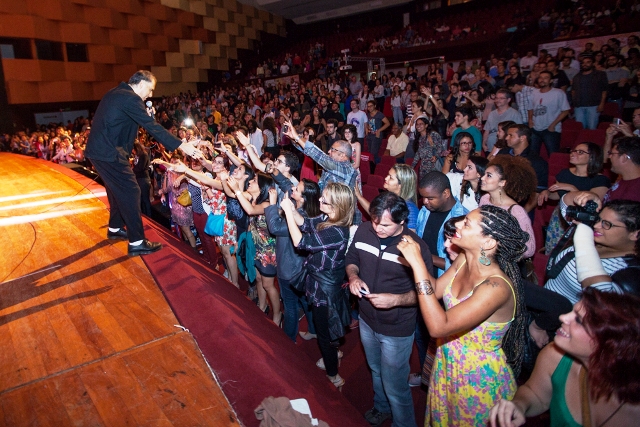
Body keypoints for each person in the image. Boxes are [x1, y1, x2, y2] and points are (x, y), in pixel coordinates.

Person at [397, 205, 529, 426]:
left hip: (477, 376)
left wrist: (418, 264)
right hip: (448, 362)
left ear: (488, 243)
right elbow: (437, 289)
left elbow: (439, 326)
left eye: (466, 223)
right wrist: (415, 260)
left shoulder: (496, 287)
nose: (457, 224)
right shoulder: (464, 260)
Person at [85, 70, 201, 256]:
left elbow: (128, 123)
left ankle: (115, 228)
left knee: (117, 191)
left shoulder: (117, 93)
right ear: (140, 84)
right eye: (150, 89)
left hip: (101, 151)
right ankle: (137, 241)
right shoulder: (130, 98)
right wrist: (180, 145)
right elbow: (152, 127)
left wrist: (145, 114)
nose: (151, 94)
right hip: (109, 153)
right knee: (131, 191)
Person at [489, 288, 640, 427]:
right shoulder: (555, 355)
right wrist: (519, 405)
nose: (562, 317)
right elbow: (536, 394)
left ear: (610, 344)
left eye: (579, 320)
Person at [347, 192, 433, 427]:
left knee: (396, 384)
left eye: (385, 224)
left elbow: (427, 292)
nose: (377, 228)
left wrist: (395, 300)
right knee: (375, 370)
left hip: (397, 328)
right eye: (375, 221)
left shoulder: (416, 248)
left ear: (402, 222)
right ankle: (382, 407)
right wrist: (353, 277)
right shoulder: (365, 230)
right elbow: (352, 258)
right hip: (366, 319)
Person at [280, 183, 354, 390]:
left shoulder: (337, 231)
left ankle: (334, 376)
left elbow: (301, 242)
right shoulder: (326, 219)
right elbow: (305, 224)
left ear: (337, 206)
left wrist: (287, 212)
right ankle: (335, 352)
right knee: (325, 327)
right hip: (318, 281)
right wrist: (293, 210)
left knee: (324, 334)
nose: (319, 200)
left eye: (325, 199)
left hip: (325, 289)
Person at [545, 199, 640, 305]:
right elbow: (564, 205)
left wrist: (583, 236)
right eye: (598, 219)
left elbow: (599, 297)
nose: (596, 226)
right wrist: (583, 196)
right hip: (542, 302)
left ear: (635, 234)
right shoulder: (597, 240)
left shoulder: (628, 271)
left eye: (606, 224)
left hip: (562, 318)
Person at [265, 179, 321, 343]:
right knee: (305, 301)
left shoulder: (300, 216)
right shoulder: (307, 212)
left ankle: (288, 340)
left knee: (290, 305)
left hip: (290, 269)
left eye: (297, 189)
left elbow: (274, 227)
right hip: (302, 268)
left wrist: (272, 204)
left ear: (303, 198)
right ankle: (313, 330)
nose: (293, 189)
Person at [227, 172, 281, 324]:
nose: (250, 181)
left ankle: (277, 316)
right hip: (256, 248)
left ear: (262, 186)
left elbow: (250, 211)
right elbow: (251, 223)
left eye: (254, 180)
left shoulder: (266, 204)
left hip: (268, 252)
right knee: (258, 278)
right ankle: (262, 306)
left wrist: (238, 190)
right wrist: (241, 241)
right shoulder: (254, 199)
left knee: (268, 285)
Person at [538, 143, 610, 254]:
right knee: (554, 250)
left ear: (592, 157)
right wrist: (547, 192)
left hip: (582, 221)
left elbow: (593, 205)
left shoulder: (600, 180)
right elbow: (558, 195)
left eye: (580, 152)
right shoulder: (564, 173)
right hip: (560, 217)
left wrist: (572, 189)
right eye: (573, 151)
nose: (573, 153)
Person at [479, 155, 537, 259]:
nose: (482, 178)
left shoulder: (516, 212)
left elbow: (529, 249)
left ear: (502, 183)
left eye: (489, 175)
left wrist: (498, 250)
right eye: (484, 174)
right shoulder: (485, 199)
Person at [355, 164, 419, 231]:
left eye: (391, 178)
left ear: (401, 184)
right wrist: (359, 196)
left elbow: (410, 238)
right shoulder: (389, 197)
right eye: (388, 175)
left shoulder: (411, 209)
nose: (386, 178)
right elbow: (376, 213)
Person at [528, 70, 571, 156]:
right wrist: (530, 120)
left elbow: (566, 110)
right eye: (540, 77)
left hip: (551, 130)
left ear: (551, 81)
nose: (542, 80)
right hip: (535, 128)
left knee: (553, 155)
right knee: (532, 155)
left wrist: (553, 124)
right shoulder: (534, 92)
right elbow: (530, 108)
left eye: (545, 78)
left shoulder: (558, 93)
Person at [572, 56, 608, 130]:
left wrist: (601, 104)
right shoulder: (577, 76)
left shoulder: (600, 74)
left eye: (588, 62)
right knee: (580, 129)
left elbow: (604, 90)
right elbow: (573, 91)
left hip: (593, 105)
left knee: (592, 128)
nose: (585, 64)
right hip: (579, 106)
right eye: (583, 63)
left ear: (593, 63)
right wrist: (574, 102)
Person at [411, 117, 444, 182]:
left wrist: (436, 156)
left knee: (433, 185)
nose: (418, 126)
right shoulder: (420, 138)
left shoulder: (433, 134)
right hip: (423, 166)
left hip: (433, 165)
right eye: (417, 124)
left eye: (421, 124)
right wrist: (412, 165)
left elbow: (440, 147)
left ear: (426, 125)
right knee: (423, 185)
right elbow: (418, 153)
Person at [365, 100, 390, 164]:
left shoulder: (379, 114)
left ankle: (374, 166)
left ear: (375, 106)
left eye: (371, 106)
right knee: (370, 152)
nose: (369, 108)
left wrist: (379, 130)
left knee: (374, 153)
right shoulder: (367, 115)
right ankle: (371, 166)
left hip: (376, 135)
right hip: (370, 135)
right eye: (368, 106)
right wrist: (367, 129)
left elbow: (387, 123)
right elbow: (366, 124)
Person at [132, 140, 152, 216]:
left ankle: (149, 216)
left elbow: (140, 167)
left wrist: (131, 169)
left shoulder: (144, 155)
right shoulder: (137, 156)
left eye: (133, 149)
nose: (132, 151)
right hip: (138, 179)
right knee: (140, 199)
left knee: (145, 199)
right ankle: (143, 215)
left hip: (143, 179)